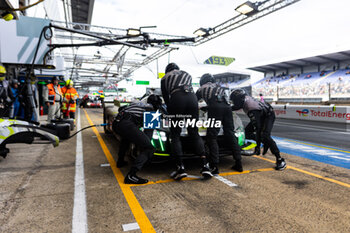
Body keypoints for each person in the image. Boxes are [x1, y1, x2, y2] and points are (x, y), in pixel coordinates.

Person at [161, 63, 212, 180]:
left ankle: (181, 168)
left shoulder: (165, 77)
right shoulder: (186, 74)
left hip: (177, 98)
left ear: (167, 70)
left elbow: (166, 97)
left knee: (175, 134)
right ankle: (205, 166)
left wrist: (172, 111)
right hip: (192, 99)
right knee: (194, 132)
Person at [196, 73, 243, 173]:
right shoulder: (221, 87)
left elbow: (194, 102)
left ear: (203, 81)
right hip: (227, 108)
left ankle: (214, 165)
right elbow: (221, 101)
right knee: (230, 134)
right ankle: (238, 163)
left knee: (212, 137)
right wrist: (207, 107)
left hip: (215, 109)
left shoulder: (201, 88)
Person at [112, 94, 163, 184]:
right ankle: (131, 175)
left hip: (117, 123)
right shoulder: (151, 111)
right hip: (126, 125)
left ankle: (120, 161)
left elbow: (121, 109)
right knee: (149, 148)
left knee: (127, 138)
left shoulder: (137, 103)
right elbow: (148, 135)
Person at [230, 89, 286, 170]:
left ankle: (280, 159)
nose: (234, 103)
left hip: (268, 115)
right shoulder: (245, 99)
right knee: (247, 133)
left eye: (235, 101)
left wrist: (257, 148)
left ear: (239, 100)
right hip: (262, 113)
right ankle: (265, 142)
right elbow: (236, 107)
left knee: (265, 135)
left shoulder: (250, 107)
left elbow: (258, 128)